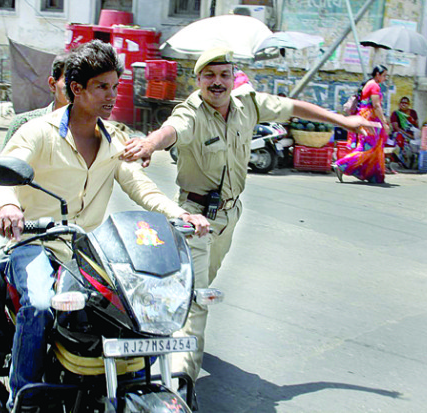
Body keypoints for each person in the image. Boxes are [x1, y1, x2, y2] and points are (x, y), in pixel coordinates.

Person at [120, 47, 378, 404]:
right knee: (198, 300)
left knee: (197, 284)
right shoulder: (191, 111)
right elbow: (170, 131)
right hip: (193, 217)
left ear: (232, 77)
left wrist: (345, 122)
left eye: (224, 75)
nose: (217, 83)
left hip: (228, 216)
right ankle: (178, 386)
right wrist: (149, 143)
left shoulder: (248, 103)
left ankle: (161, 330)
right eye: (209, 76)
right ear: (198, 81)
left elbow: (293, 107)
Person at [0, 40, 210, 409]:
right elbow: (5, 174)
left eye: (115, 86)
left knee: (129, 303)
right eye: (102, 87)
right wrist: (8, 206)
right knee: (38, 304)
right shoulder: (38, 132)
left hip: (85, 249)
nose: (111, 95)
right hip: (36, 242)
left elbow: (140, 186)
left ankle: (132, 381)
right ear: (76, 89)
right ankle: (25, 395)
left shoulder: (115, 139)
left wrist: (180, 216)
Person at [0, 53, 71, 395]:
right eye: (68, 82)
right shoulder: (26, 124)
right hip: (21, 225)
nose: (74, 90)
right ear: (53, 83)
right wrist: (9, 208)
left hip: (67, 228)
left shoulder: (92, 129)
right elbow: (3, 179)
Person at [333, 65, 390, 184]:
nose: (385, 78)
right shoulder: (374, 85)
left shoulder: (368, 84)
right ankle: (341, 165)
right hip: (370, 119)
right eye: (384, 75)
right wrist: (384, 122)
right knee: (368, 147)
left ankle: (373, 174)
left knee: (373, 147)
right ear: (377, 75)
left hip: (366, 117)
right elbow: (376, 105)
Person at [3, 53, 70, 145]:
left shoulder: (92, 131)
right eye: (68, 81)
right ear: (52, 84)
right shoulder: (24, 124)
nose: (75, 88)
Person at [389, 96, 419, 169]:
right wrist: (406, 135)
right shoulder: (395, 113)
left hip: (411, 134)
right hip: (400, 134)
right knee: (400, 137)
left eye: (405, 103)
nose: (403, 105)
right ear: (399, 104)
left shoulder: (413, 113)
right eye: (402, 103)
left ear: (408, 104)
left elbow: (416, 125)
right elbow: (396, 128)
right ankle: (402, 161)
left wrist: (414, 134)